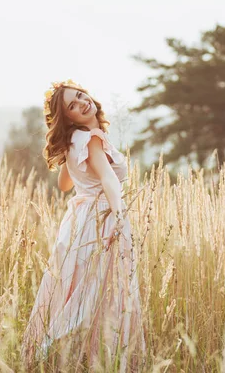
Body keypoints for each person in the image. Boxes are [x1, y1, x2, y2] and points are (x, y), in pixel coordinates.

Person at [20, 79, 146, 371]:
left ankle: (57, 354)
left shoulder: (75, 140)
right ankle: (99, 357)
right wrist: (118, 214)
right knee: (104, 290)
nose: (81, 103)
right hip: (100, 218)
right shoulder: (92, 138)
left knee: (73, 286)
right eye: (72, 106)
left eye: (80, 96)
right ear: (69, 118)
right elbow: (107, 178)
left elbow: (65, 184)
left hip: (77, 221)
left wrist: (71, 160)